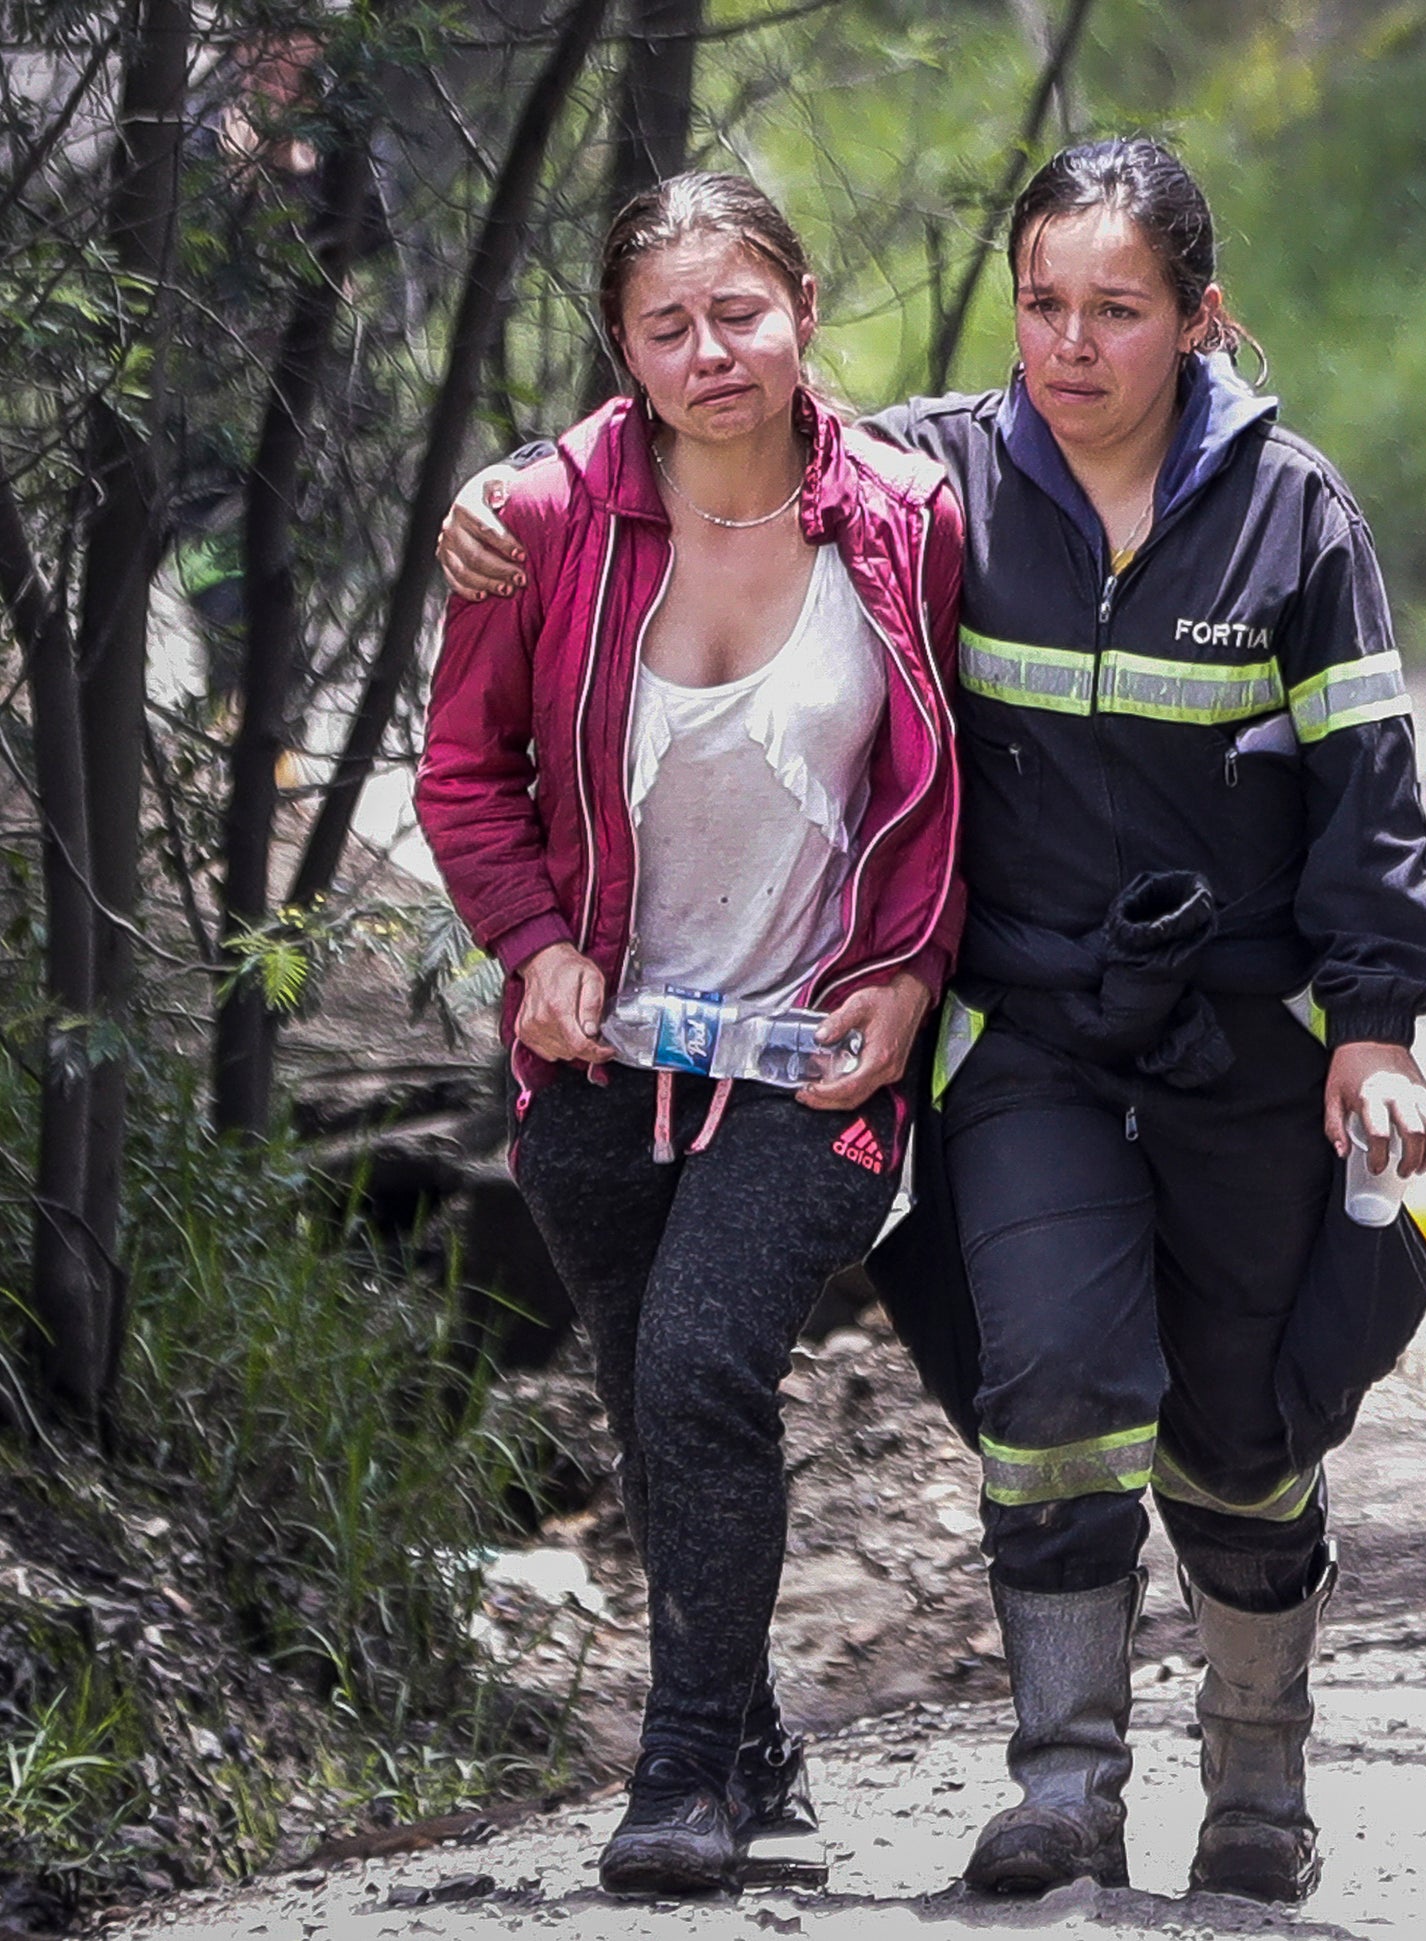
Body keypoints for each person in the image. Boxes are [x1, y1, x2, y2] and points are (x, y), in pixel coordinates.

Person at [443, 136, 1426, 1905]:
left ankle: (1260, 1775)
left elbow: (1370, 788)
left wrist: (1376, 1024)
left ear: (1201, 318)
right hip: (1030, 1032)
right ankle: (1064, 1785)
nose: (1071, 344)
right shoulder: (948, 474)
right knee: (1047, 1381)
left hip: (1244, 1039)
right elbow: (718, 425)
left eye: (1117, 309)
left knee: (1245, 1433)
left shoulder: (1291, 515)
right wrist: (509, 481)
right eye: (1043, 303)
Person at [417, 173, 966, 1894]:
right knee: (650, 1393)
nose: (711, 352)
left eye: (740, 311)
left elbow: (961, 783)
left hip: (818, 1052)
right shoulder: (540, 521)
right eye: (669, 325)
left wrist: (913, 972)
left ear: (802, 308)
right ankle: (753, 1739)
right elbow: (463, 775)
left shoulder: (908, 516)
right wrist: (534, 948)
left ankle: (679, 1774)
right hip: (597, 1057)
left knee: (703, 1363)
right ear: (625, 348)